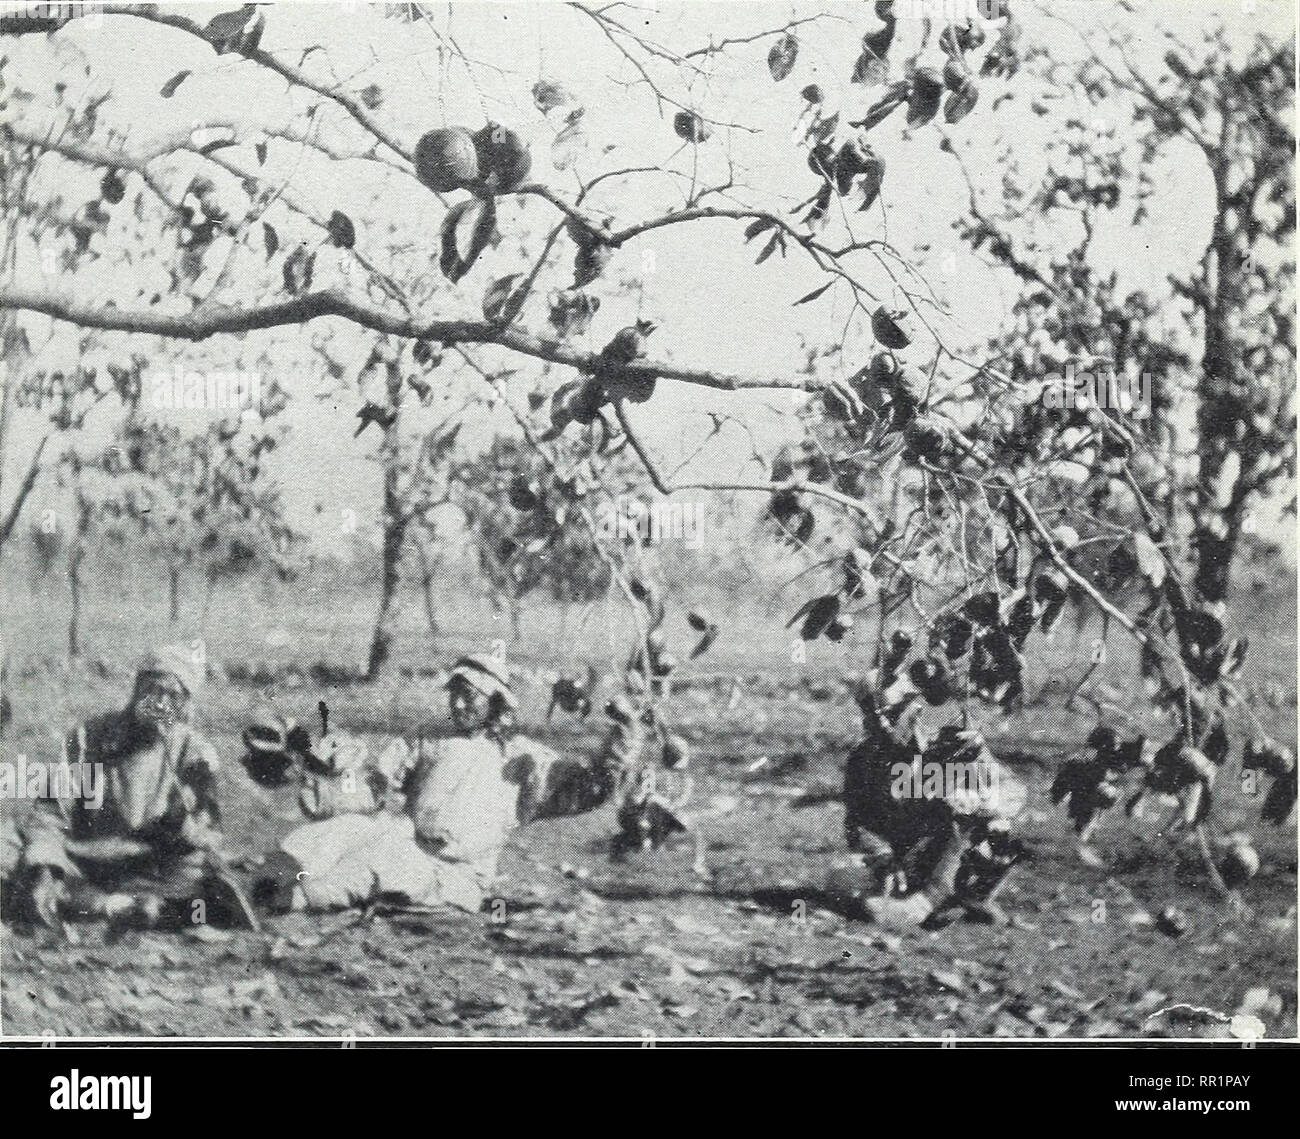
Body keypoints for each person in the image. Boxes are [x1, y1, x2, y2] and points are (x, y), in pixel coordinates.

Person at [256, 654, 619, 915]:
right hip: (406, 837)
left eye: (470, 696)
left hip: (456, 872)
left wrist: (622, 741)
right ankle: (264, 882)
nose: (459, 704)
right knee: (336, 832)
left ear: (496, 703)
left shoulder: (523, 760)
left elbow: (589, 790)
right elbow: (374, 787)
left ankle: (290, 900)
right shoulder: (429, 738)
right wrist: (324, 780)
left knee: (374, 867)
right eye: (454, 694)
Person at [7, 645, 242, 935]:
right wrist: (45, 865)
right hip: (86, 862)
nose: (161, 704)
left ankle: (117, 907)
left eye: (173, 696)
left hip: (152, 869)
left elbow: (207, 832)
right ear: (136, 690)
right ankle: (115, 906)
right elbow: (51, 813)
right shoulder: (88, 738)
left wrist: (183, 826)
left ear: (185, 706)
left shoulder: (194, 753)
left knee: (203, 881)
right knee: (7, 847)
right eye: (153, 691)